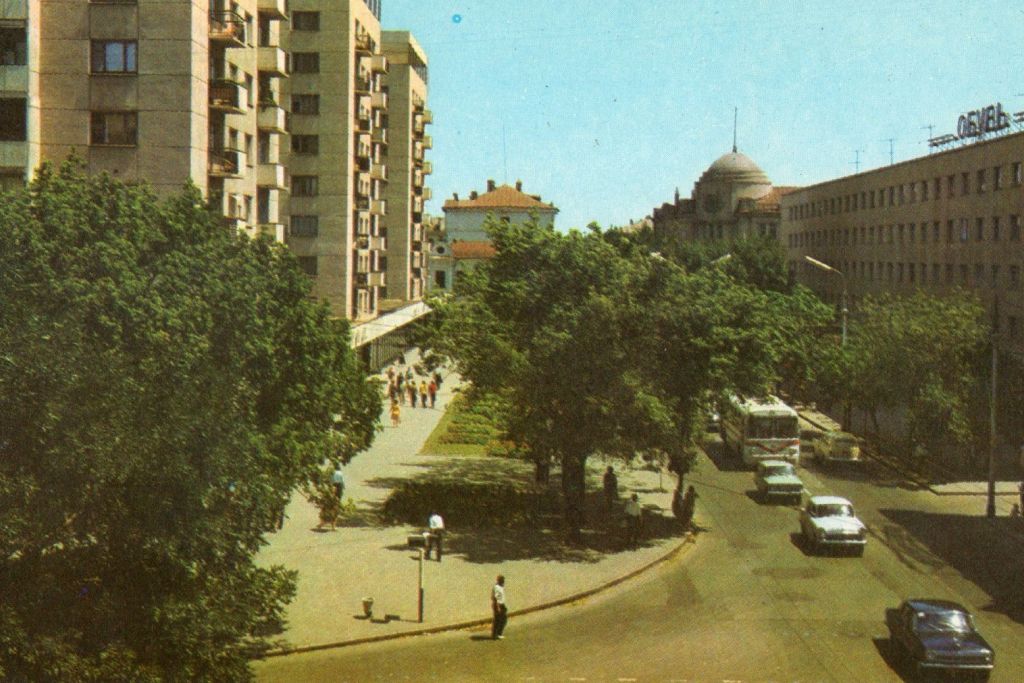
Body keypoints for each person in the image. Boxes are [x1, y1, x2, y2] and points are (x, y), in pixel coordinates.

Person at [491, 575, 508, 639]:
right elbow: (495, 598)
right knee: (500, 620)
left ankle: (496, 634)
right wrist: (498, 607)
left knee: (500, 619)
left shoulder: (499, 587)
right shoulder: (497, 588)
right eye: (502, 580)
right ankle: (497, 634)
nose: (504, 582)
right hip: (498, 605)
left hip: (501, 604)